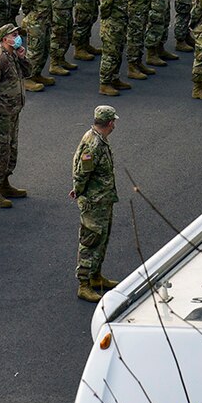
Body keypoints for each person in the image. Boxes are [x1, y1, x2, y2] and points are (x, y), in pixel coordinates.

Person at [71, 105, 119, 303]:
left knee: (102, 238)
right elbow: (82, 172)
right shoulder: (94, 145)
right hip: (94, 201)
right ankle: (84, 284)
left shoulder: (97, 138)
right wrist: (79, 191)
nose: (114, 124)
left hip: (103, 198)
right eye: (113, 121)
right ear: (109, 123)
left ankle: (96, 275)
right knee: (90, 241)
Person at [0, 24, 30, 208]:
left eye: (17, 34)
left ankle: (5, 183)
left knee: (11, 150)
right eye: (14, 35)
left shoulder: (13, 54)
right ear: (4, 39)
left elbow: (28, 72)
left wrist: (23, 58)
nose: (18, 37)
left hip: (12, 112)